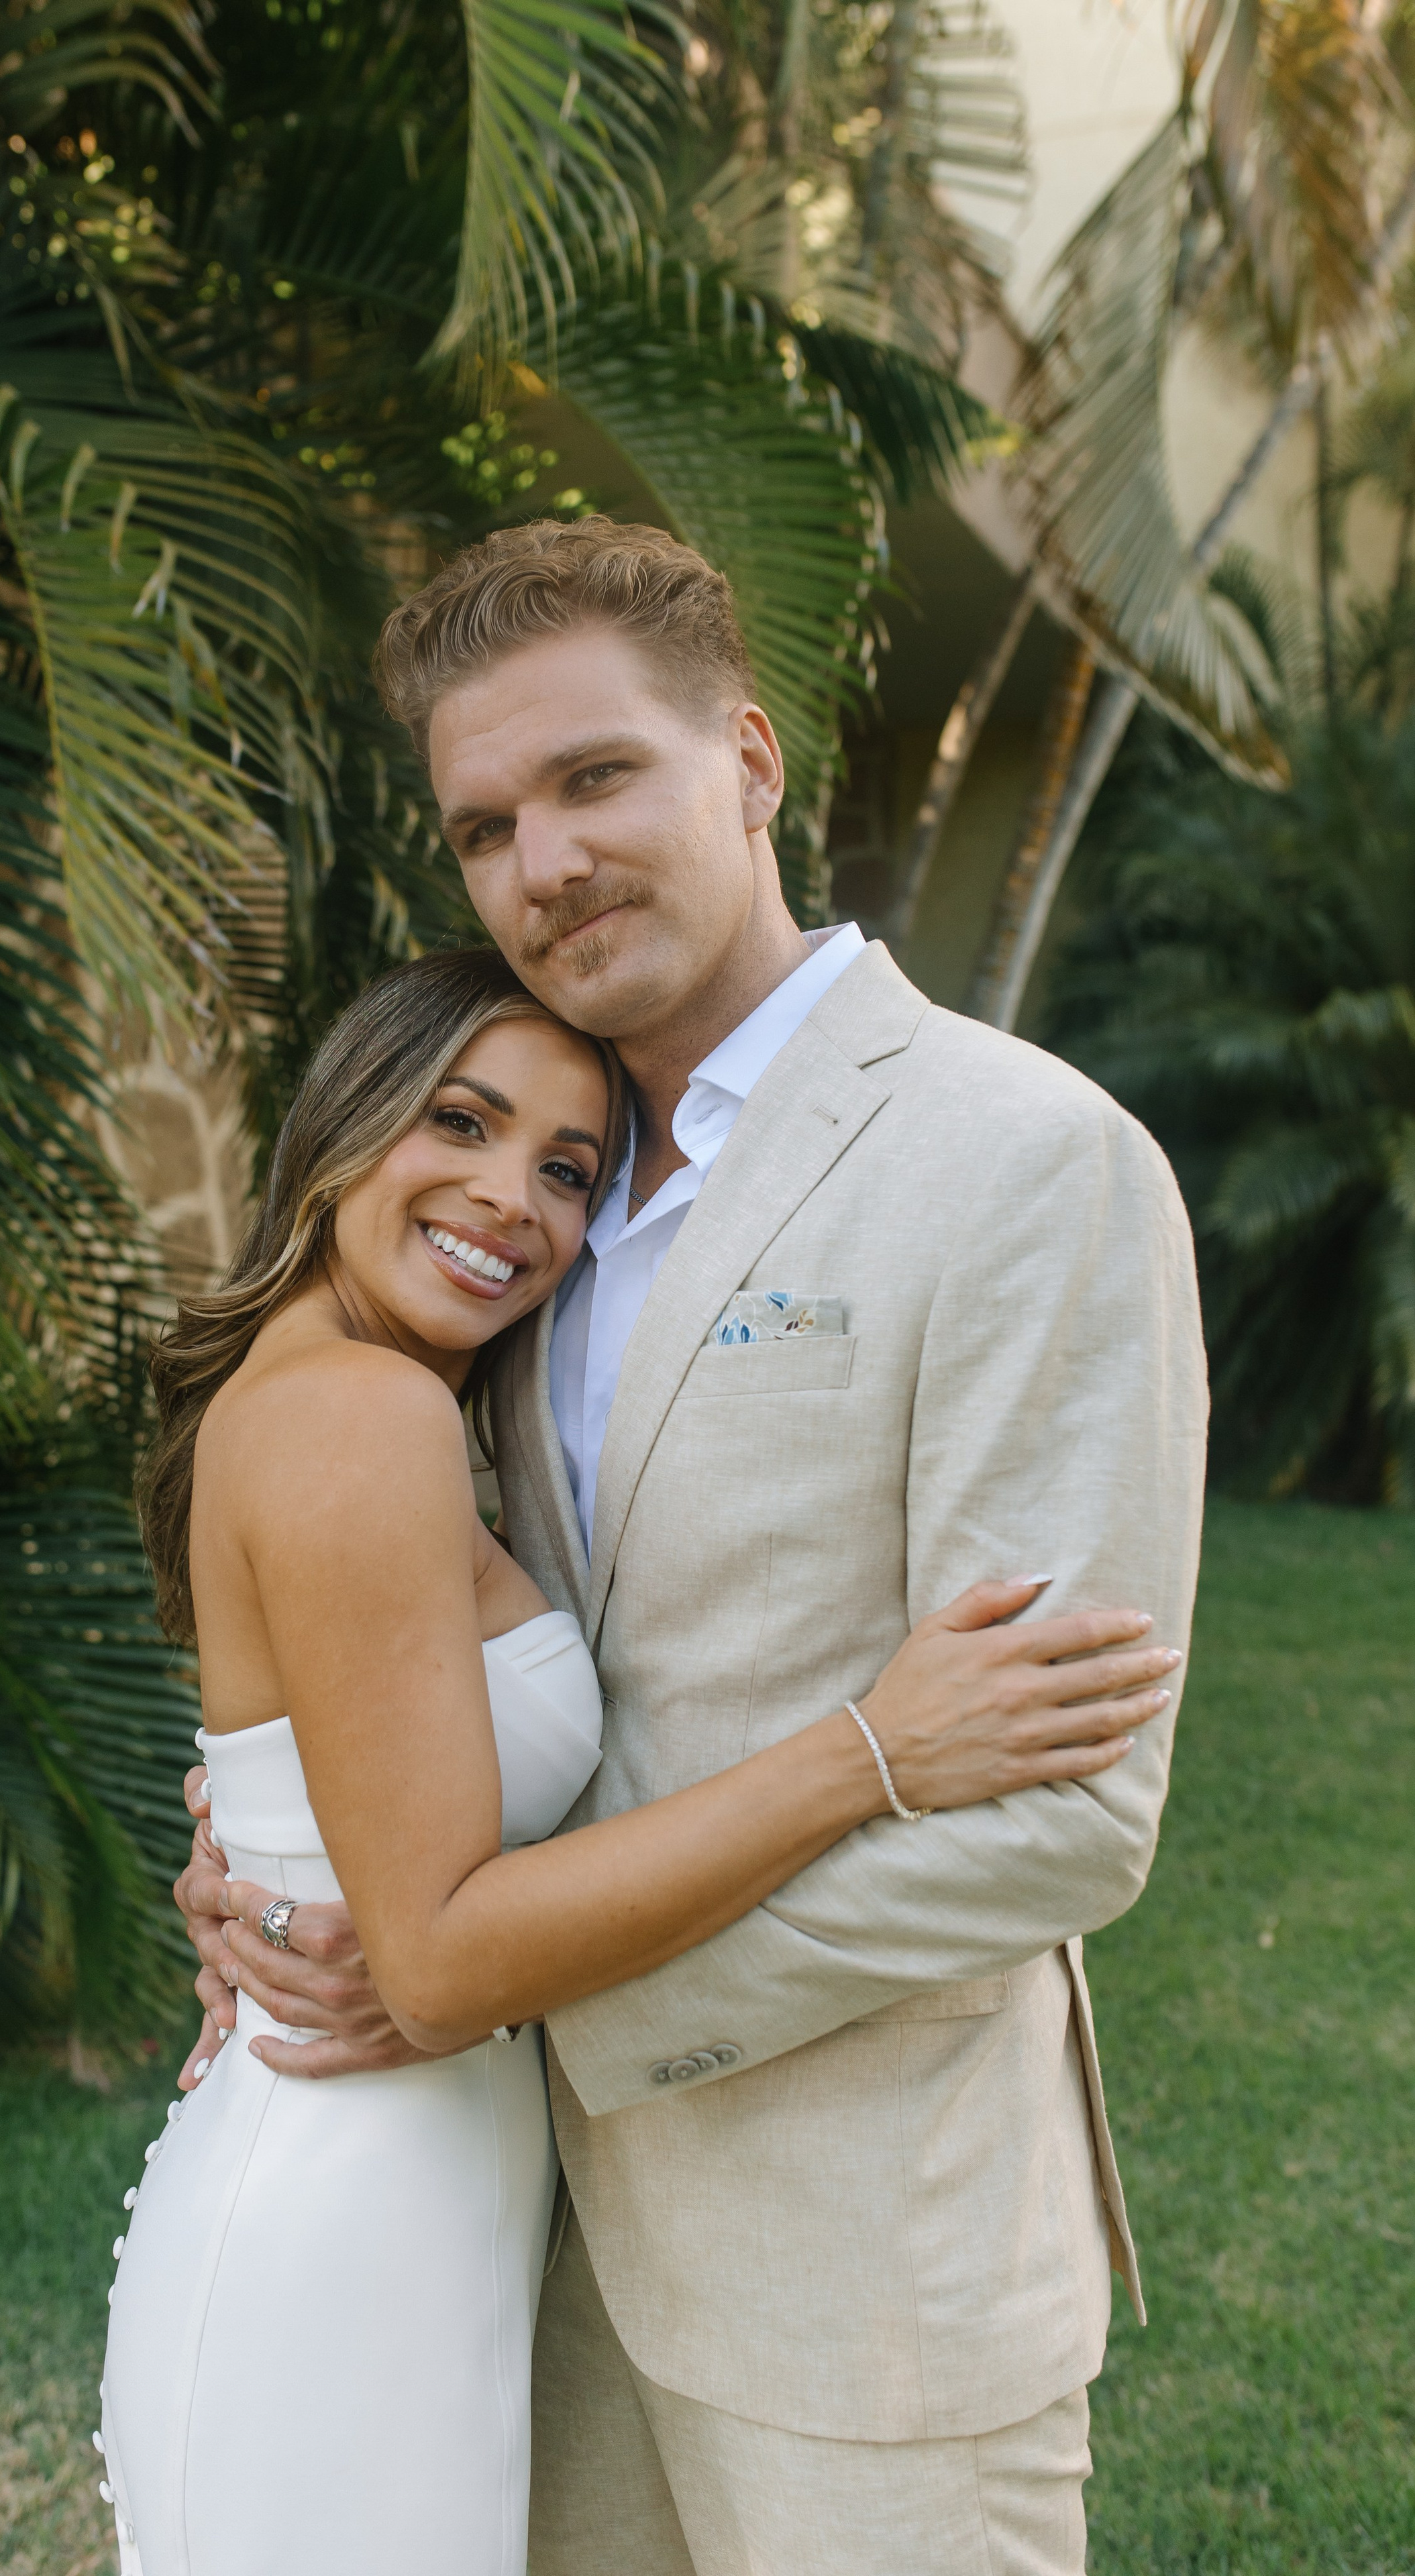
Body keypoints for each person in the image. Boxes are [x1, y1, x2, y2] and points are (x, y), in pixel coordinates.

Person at [168, 520, 1209, 2575]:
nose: (542, 864)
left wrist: (494, 1986)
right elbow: (429, 1631)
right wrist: (281, 1851)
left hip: (864, 2279)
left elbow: (1065, 1823)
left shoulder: (1023, 1163)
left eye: (594, 779)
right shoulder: (525, 1215)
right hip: (530, 2268)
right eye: (485, 828)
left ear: (746, 761)